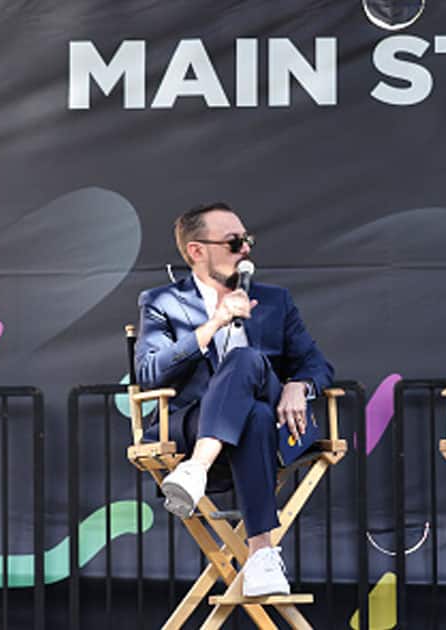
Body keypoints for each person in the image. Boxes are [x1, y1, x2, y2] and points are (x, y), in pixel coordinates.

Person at [135, 202, 333, 597]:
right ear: (197, 251)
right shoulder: (161, 302)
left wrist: (300, 386)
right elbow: (149, 373)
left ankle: (196, 470)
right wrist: (213, 325)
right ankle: (262, 554)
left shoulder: (275, 301)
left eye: (248, 240)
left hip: (251, 438)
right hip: (191, 422)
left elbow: (317, 364)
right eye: (234, 242)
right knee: (255, 416)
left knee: (247, 361)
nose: (245, 249)